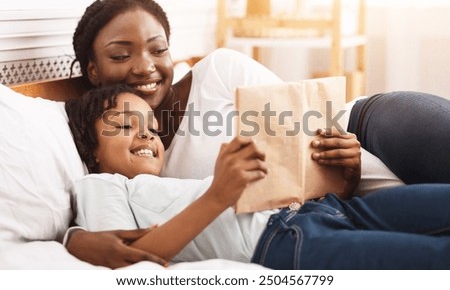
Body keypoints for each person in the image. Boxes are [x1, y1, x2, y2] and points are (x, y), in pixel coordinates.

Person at [67, 0, 449, 267]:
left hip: (363, 125)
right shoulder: (126, 171)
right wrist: (74, 239)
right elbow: (122, 249)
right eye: (121, 55)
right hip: (313, 217)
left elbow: (304, 131)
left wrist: (350, 168)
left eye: (159, 49)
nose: (144, 67)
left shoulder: (218, 70)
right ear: (93, 69)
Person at [66, 84, 450, 269]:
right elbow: (127, 261)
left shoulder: (176, 181)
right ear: (89, 147)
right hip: (283, 240)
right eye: (125, 124)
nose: (147, 133)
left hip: (330, 210)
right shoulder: (100, 184)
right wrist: (218, 195)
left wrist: (345, 178)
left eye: (150, 125)